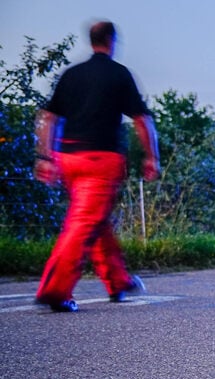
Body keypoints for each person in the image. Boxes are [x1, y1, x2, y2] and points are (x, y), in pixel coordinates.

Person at [33, 20, 160, 313]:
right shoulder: (118, 74)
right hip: (100, 161)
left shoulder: (72, 75)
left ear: (91, 41)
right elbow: (143, 120)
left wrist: (44, 157)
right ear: (112, 41)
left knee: (95, 219)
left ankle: (118, 282)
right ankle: (55, 289)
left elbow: (47, 117)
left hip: (69, 159)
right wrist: (151, 157)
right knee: (83, 224)